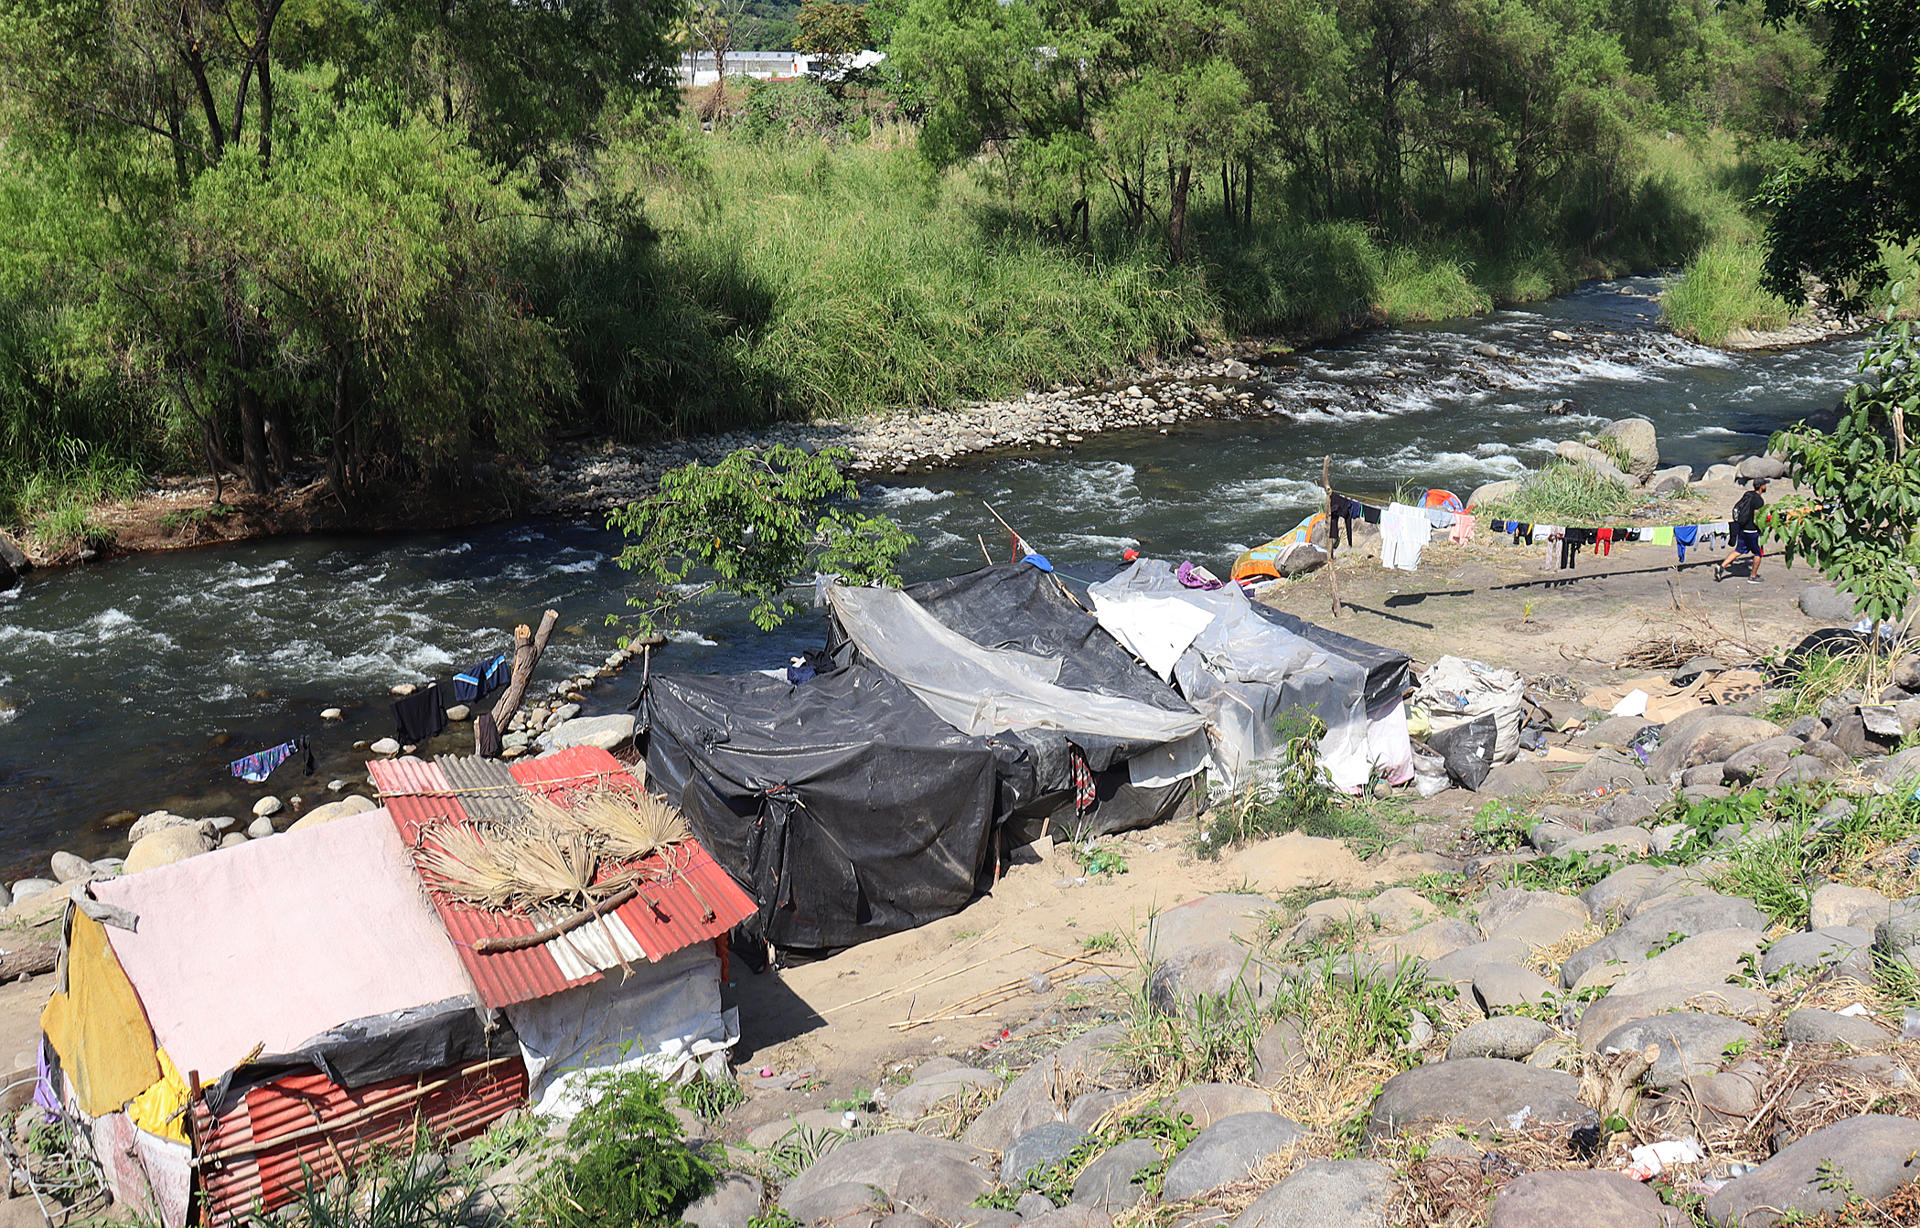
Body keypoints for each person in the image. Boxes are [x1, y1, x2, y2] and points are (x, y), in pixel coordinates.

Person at [1715, 478, 1768, 583]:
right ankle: (1753, 577)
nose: (1766, 486)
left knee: (1738, 550)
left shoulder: (1747, 494)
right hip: (1753, 531)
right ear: (1762, 486)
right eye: (1765, 485)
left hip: (1742, 529)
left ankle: (1721, 567)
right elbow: (1757, 517)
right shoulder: (1759, 500)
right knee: (1758, 553)